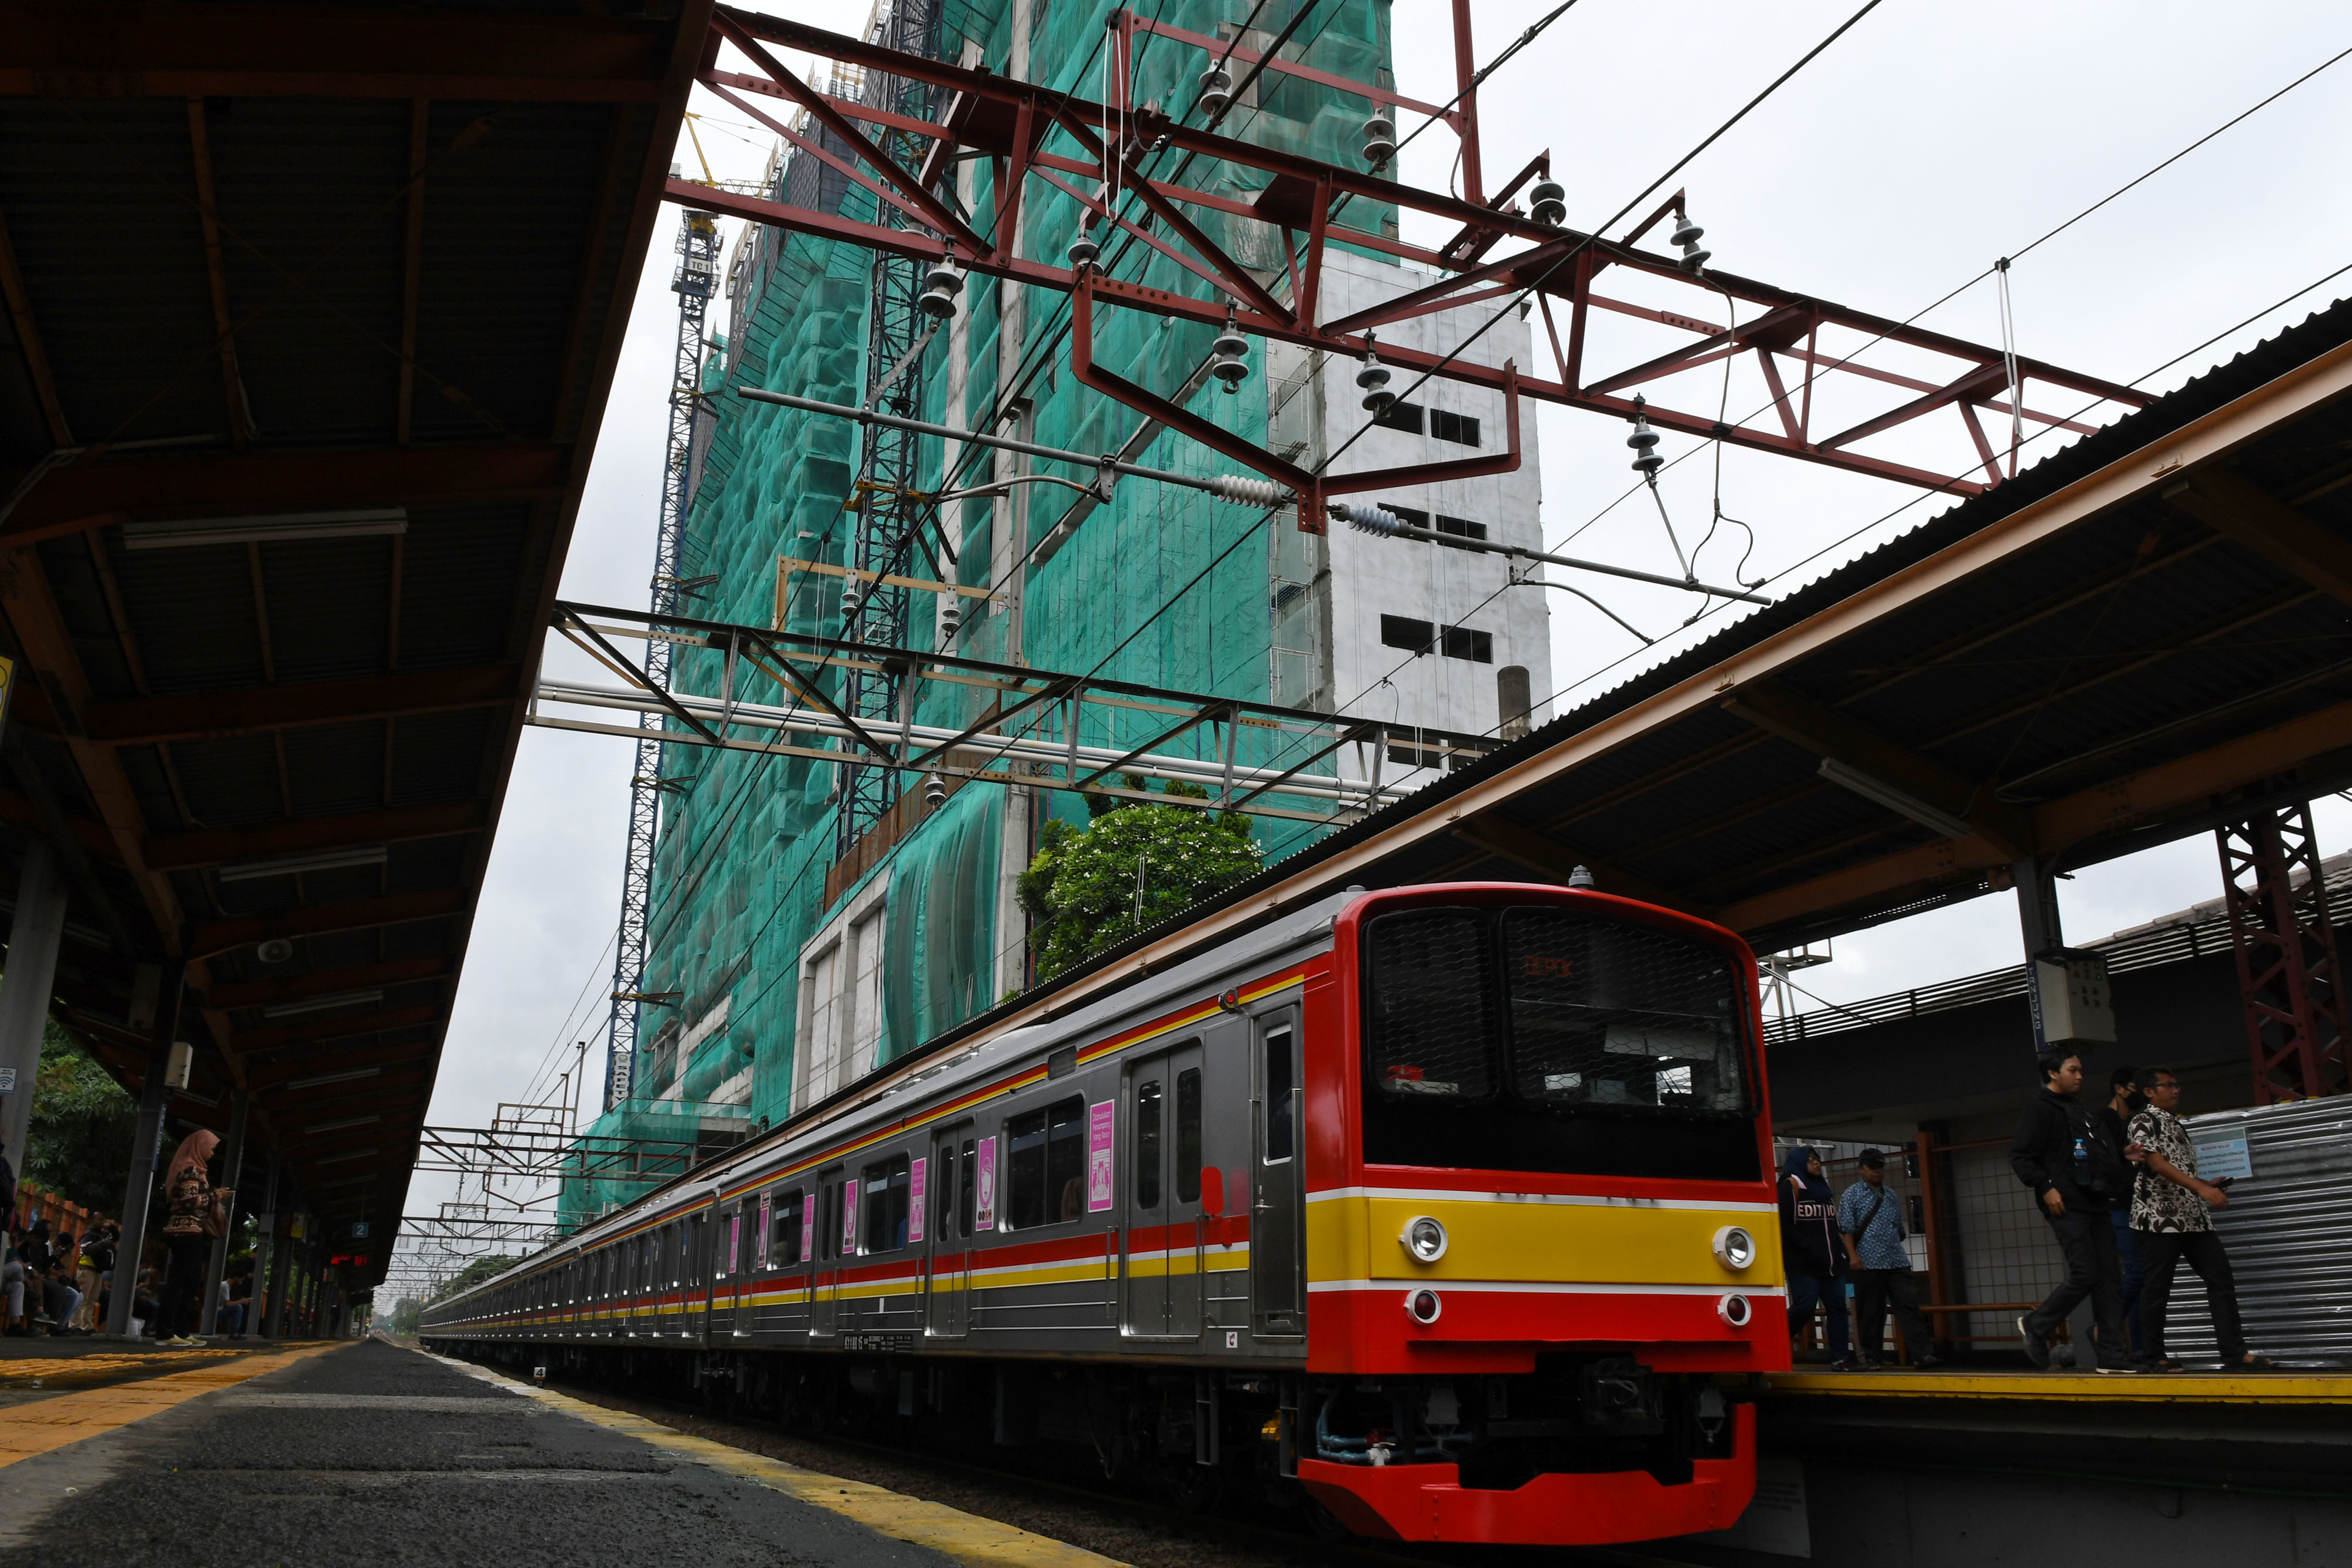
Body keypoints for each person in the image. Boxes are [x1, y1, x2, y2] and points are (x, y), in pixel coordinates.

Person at [2128, 1068, 2276, 1372]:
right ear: (2149, 1092)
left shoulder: (2175, 1124)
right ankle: (2152, 1356)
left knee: (2220, 1279)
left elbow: (2178, 1169)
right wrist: (2201, 1188)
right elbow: (2155, 1163)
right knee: (2158, 1287)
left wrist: (2206, 1183)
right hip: (2159, 1218)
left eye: (2176, 1084)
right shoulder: (2144, 1120)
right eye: (2168, 1085)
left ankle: (2235, 1354)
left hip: (2192, 1217)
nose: (2176, 1090)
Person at [2009, 1048, 2133, 1372]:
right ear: (2053, 1073)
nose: (2080, 1076)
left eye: (2080, 1071)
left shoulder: (2079, 1111)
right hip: (2066, 1205)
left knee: (2110, 1280)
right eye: (2073, 1070)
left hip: (2095, 1202)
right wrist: (2046, 1186)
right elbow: (2021, 1155)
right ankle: (2037, 1324)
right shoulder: (2039, 1108)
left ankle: (2112, 1356)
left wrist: (2124, 1155)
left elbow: (2086, 1155)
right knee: (2086, 1273)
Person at [1837, 1149, 1942, 1370]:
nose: (1877, 1171)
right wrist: (1853, 1258)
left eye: (1880, 1166)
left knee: (1909, 1305)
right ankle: (1872, 1357)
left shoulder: (1891, 1195)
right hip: (1867, 1262)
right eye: (1872, 1167)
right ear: (1862, 1168)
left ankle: (1923, 1355)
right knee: (1871, 1312)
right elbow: (1846, 1230)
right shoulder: (1852, 1195)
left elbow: (1899, 1229)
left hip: (1896, 1260)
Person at [1777, 1146, 1857, 1369]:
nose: (1816, 1163)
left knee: (1838, 1308)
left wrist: (1840, 1253)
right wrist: (1807, 1249)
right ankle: (1776, 1341)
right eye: (1810, 1160)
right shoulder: (1790, 1185)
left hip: (1832, 1264)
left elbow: (1832, 1225)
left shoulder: (1823, 1189)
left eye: (1817, 1159)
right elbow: (1785, 1225)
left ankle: (1841, 1357)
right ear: (1799, 1162)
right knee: (1805, 1306)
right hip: (1804, 1265)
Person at [156, 1129, 232, 1346]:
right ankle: (165, 1333)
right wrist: (216, 1195)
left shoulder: (198, 1171)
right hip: (185, 1232)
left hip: (192, 1231)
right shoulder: (190, 1170)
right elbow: (190, 1201)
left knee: (191, 1282)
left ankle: (181, 1331)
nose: (212, 1152)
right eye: (211, 1147)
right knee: (179, 1282)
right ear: (200, 1146)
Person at [2099, 1066, 2149, 1363]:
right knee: (2137, 1273)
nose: (2139, 1094)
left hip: (2141, 1205)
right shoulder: (2102, 1120)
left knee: (2143, 1278)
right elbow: (2102, 1160)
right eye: (2134, 1087)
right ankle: (2108, 1331)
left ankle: (2140, 1348)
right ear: (2119, 1089)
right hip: (2117, 1205)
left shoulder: (2136, 1120)